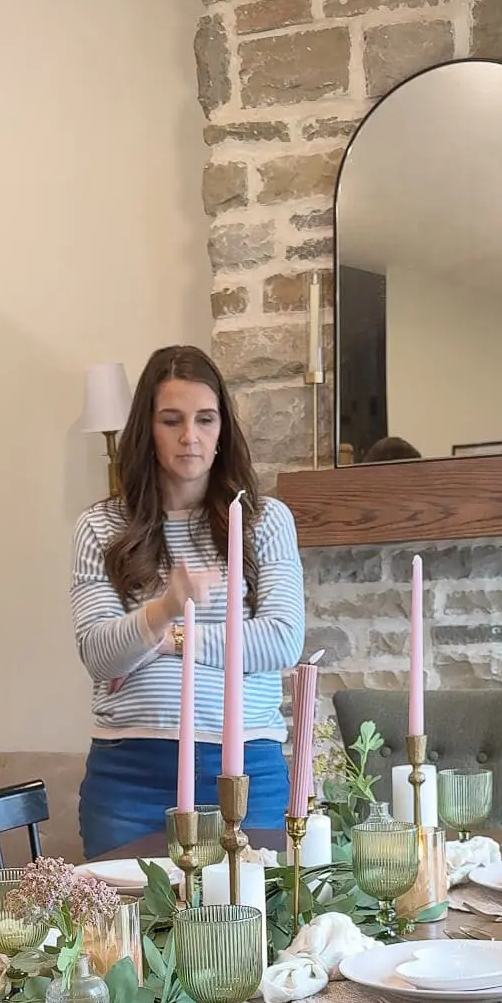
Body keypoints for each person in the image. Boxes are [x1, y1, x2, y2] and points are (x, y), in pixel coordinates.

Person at [71, 344, 305, 857]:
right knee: (130, 934)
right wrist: (165, 607)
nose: (189, 437)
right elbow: (98, 654)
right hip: (130, 776)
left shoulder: (265, 521)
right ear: (145, 431)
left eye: (205, 419)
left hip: (245, 769)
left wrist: (172, 637)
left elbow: (282, 641)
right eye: (171, 420)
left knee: (248, 929)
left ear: (223, 430)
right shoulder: (101, 527)